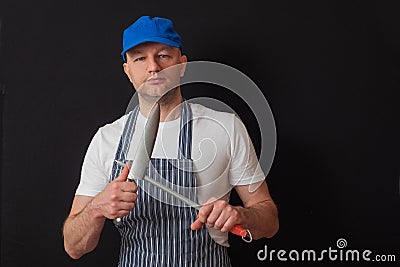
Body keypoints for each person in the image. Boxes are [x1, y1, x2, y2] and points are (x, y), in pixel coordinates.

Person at [63, 15, 279, 266]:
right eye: (140, 58)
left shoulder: (225, 127)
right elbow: (73, 247)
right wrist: (97, 208)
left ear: (182, 64)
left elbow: (270, 222)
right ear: (128, 71)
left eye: (163, 55)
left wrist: (239, 215)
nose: (153, 67)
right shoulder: (107, 139)